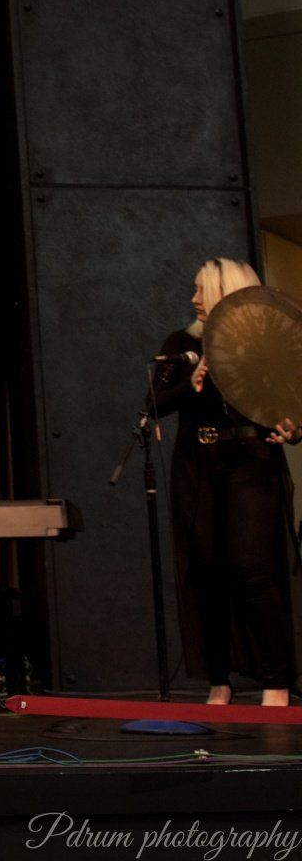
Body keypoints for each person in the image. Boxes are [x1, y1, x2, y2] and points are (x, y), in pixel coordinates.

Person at [153, 258, 302, 706]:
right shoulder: (183, 344)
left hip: (251, 463)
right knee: (205, 572)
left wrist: (293, 428)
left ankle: (276, 682)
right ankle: (219, 679)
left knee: (253, 569)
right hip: (197, 465)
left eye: (203, 290)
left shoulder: (264, 342)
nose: (194, 299)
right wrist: (190, 383)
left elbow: (292, 401)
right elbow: (153, 404)